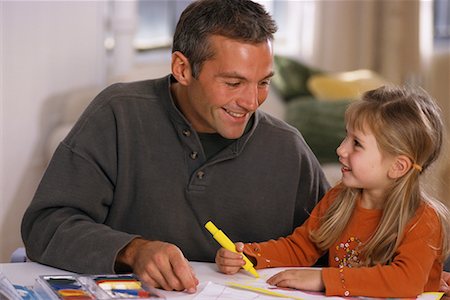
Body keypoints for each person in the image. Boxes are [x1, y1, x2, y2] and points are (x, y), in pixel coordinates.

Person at [20, 0, 330, 294]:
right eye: (233, 83)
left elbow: (344, 249)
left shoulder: (288, 149)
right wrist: (133, 250)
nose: (251, 102)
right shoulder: (118, 115)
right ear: (182, 68)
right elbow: (45, 226)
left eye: (263, 82)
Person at [215, 85, 450, 298]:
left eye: (357, 143)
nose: (341, 149)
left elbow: (405, 282)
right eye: (346, 136)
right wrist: (249, 255)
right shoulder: (339, 199)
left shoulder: (423, 220)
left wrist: (322, 279)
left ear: (398, 166)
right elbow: (301, 247)